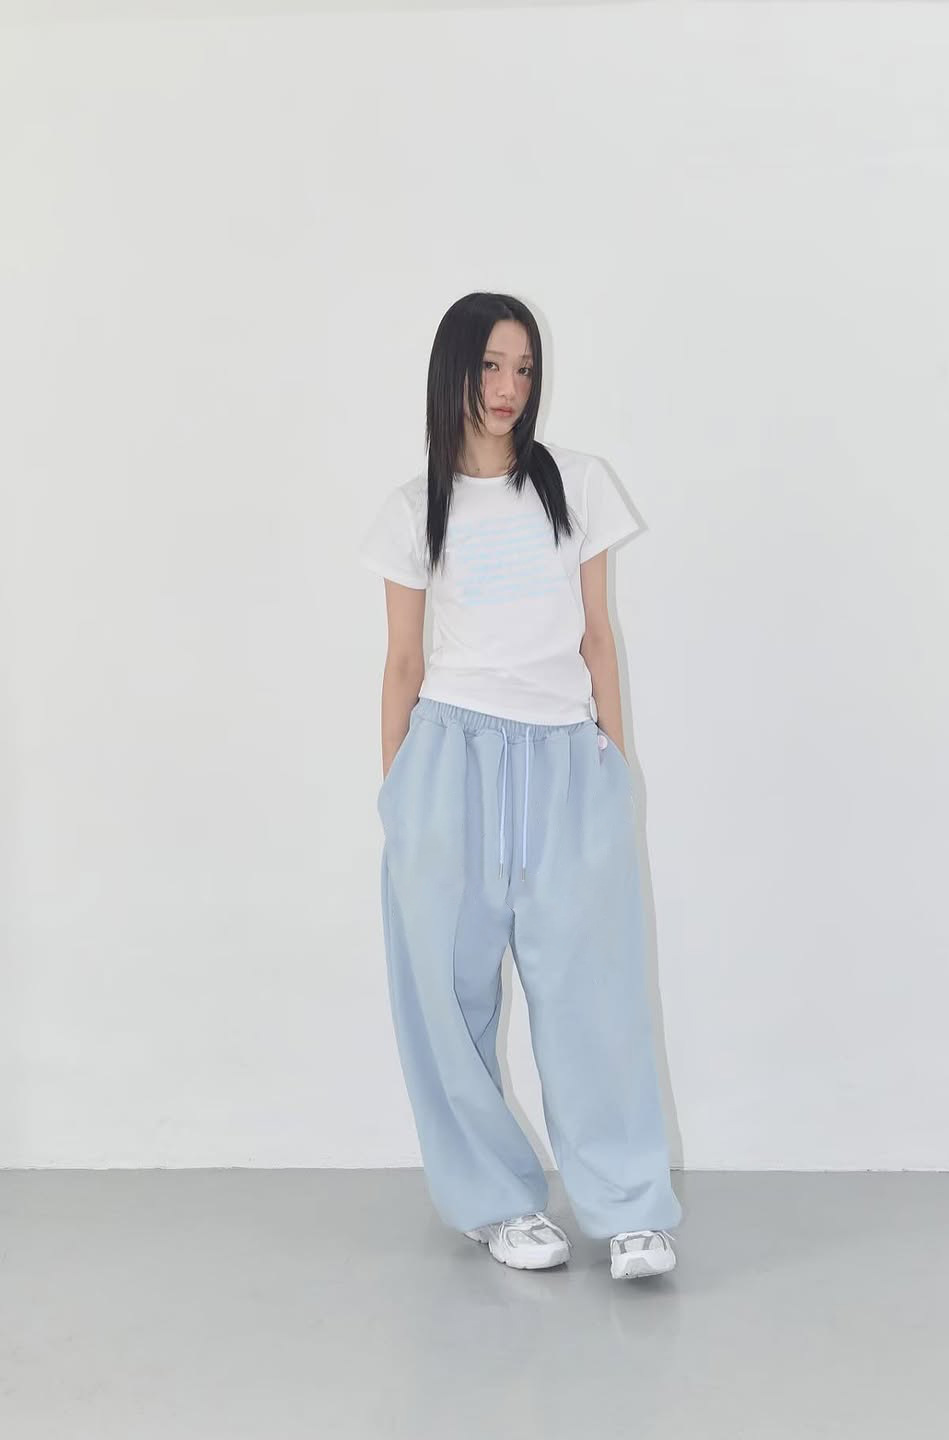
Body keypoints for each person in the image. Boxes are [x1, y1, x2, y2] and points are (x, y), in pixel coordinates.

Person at [357, 292, 682, 1281]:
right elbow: (402, 663)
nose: (508, 388)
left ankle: (628, 1206)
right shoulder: (414, 508)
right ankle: (496, 1202)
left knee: (594, 989)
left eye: (524, 369)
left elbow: (599, 636)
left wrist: (615, 764)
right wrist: (399, 798)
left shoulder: (575, 483)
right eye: (491, 366)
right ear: (454, 370)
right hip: (447, 760)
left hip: (565, 758)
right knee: (448, 995)